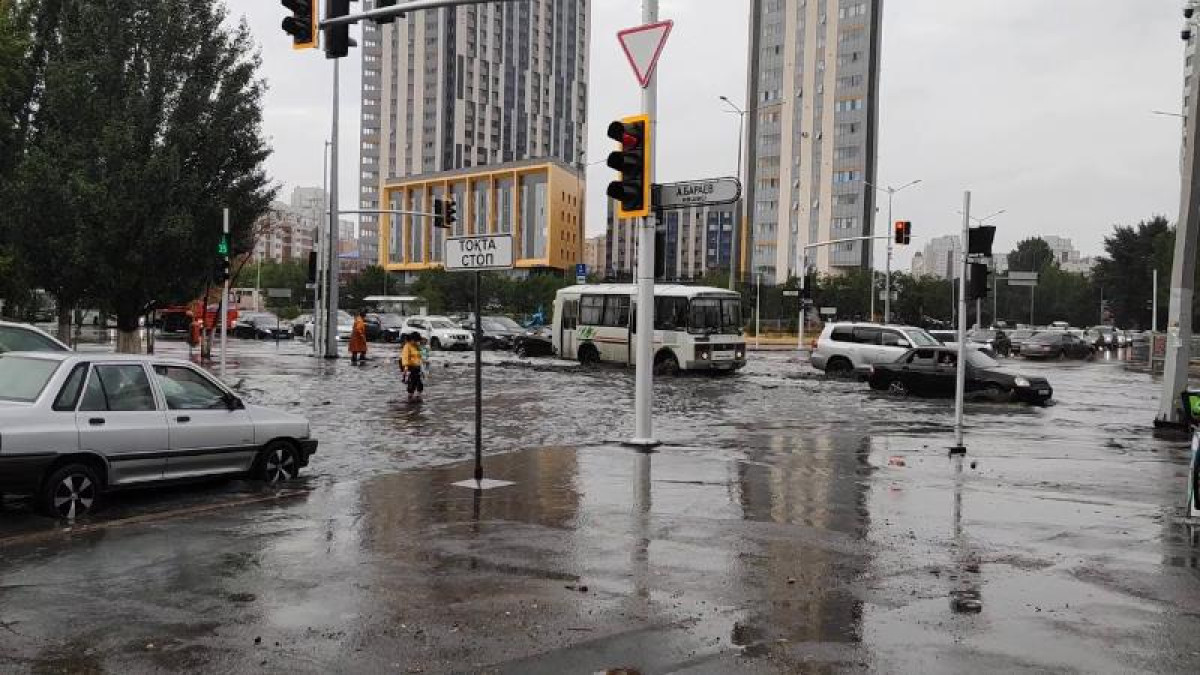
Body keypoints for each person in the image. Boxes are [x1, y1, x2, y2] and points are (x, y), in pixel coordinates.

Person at [401, 332, 424, 402]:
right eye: (415, 341)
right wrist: (406, 368)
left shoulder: (417, 346)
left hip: (417, 367)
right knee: (412, 383)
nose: (416, 342)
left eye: (417, 341)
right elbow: (405, 357)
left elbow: (420, 356)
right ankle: (410, 397)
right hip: (410, 367)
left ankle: (418, 396)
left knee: (419, 382)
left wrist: (422, 366)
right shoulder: (407, 346)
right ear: (411, 339)